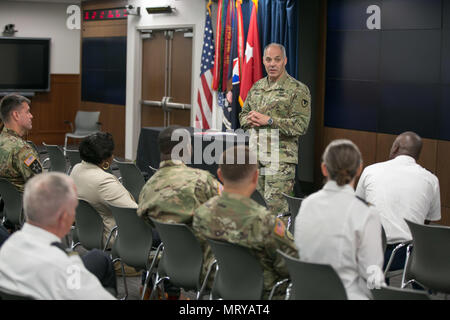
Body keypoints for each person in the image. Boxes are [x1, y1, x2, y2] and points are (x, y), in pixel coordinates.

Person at [194, 145, 298, 299]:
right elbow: (291, 265)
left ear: (220, 175)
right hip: (264, 293)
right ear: (256, 177)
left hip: (219, 284)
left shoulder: (202, 213)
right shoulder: (264, 221)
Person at [0, 172, 116, 299]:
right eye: (73, 210)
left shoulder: (8, 246)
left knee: (98, 257)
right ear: (64, 217)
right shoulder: (66, 265)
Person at [137, 125, 221, 299]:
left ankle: (155, 289)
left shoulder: (148, 187)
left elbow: (146, 223)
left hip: (168, 260)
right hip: (205, 264)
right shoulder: (202, 180)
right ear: (185, 149)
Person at [294, 139, 384, 300]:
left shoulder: (307, 204)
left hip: (306, 293)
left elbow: (300, 253)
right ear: (359, 170)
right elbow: (372, 274)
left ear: (324, 169)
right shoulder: (366, 213)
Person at [239, 43, 311, 216]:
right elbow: (242, 116)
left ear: (285, 61)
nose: (272, 64)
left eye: (277, 60)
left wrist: (269, 120)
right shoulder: (257, 87)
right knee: (253, 210)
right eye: (268, 59)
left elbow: (301, 125)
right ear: (263, 61)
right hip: (255, 158)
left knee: (275, 214)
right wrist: (249, 120)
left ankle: (278, 243)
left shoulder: (297, 89)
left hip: (280, 162)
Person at [356, 131, 441, 272]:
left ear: (395, 148)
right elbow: (426, 223)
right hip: (404, 257)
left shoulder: (370, 170)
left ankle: (377, 289)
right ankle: (419, 292)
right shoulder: (431, 180)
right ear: (417, 155)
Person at [70, 132, 137, 249]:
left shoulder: (76, 169)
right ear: (105, 158)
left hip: (84, 231)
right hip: (110, 236)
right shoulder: (104, 181)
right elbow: (132, 214)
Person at [0, 94, 42, 192]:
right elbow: (41, 184)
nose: (31, 116)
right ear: (16, 115)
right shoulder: (22, 150)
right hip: (26, 205)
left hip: (6, 205)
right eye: (27, 112)